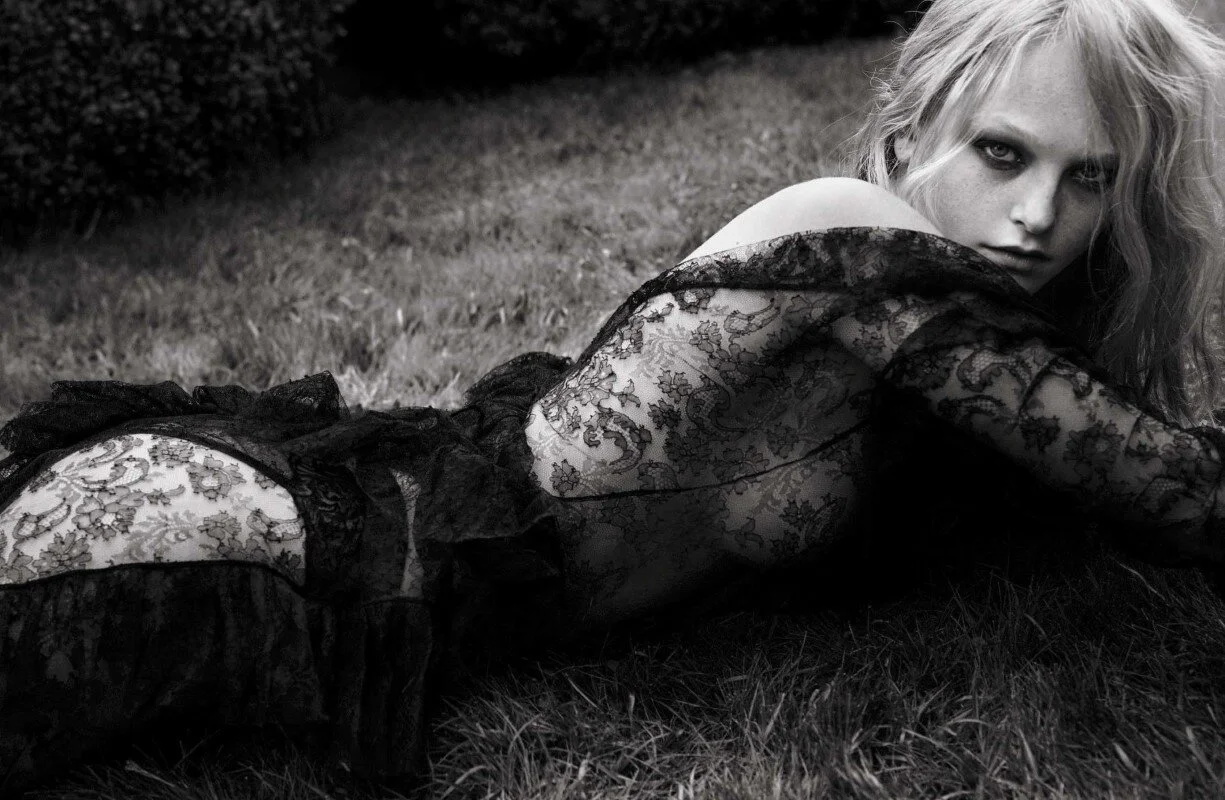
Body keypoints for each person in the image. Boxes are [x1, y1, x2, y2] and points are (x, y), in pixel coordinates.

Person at [2, 0, 1225, 792]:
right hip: (244, 538)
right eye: (1003, 152)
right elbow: (1176, 488)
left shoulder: (953, 353)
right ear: (907, 141)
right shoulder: (851, 234)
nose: (1035, 214)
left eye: (1089, 180)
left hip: (340, 583)